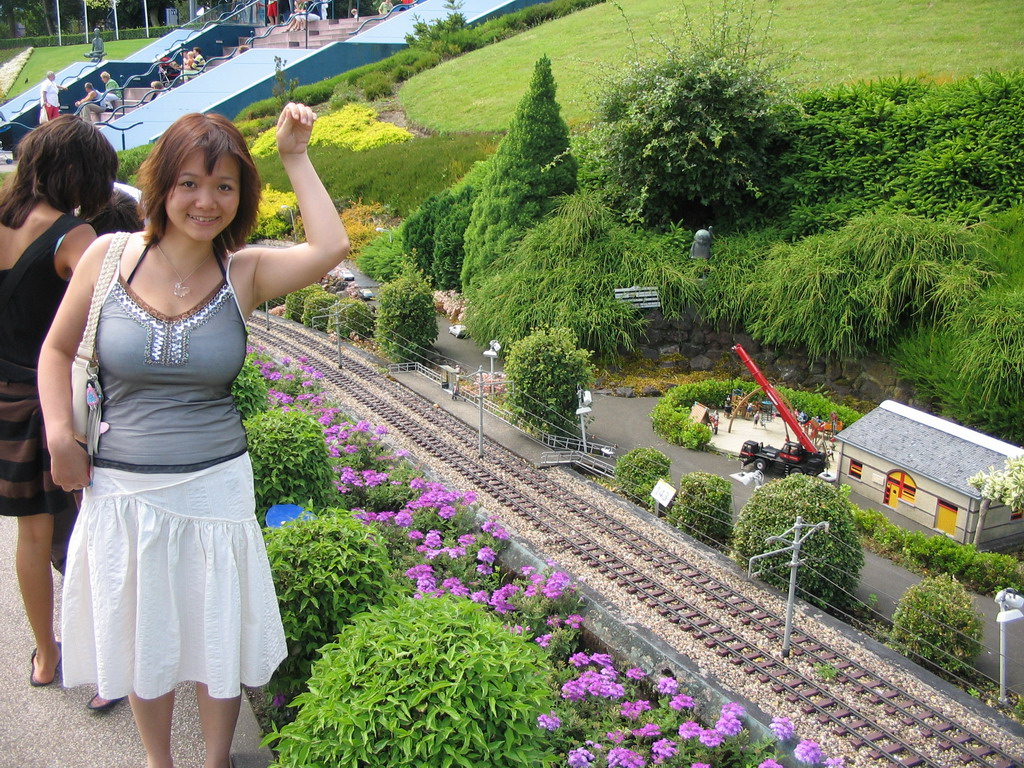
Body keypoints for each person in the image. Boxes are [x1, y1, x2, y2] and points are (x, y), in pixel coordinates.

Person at [39, 103, 349, 768]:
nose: (205, 201)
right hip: (121, 489)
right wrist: (60, 433)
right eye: (189, 183)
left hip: (214, 491)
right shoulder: (108, 256)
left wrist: (294, 154)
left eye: (223, 186)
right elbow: (56, 350)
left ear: (240, 198)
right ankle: (160, 761)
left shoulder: (245, 273)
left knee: (215, 642)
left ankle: (212, 761)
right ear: (162, 186)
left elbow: (331, 248)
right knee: (141, 637)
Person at [0, 116, 120, 712]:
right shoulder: (74, 237)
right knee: (88, 527)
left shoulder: (2, 219)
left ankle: (45, 655)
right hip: (57, 399)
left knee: (32, 532)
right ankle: (104, 666)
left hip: (3, 394)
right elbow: (111, 308)